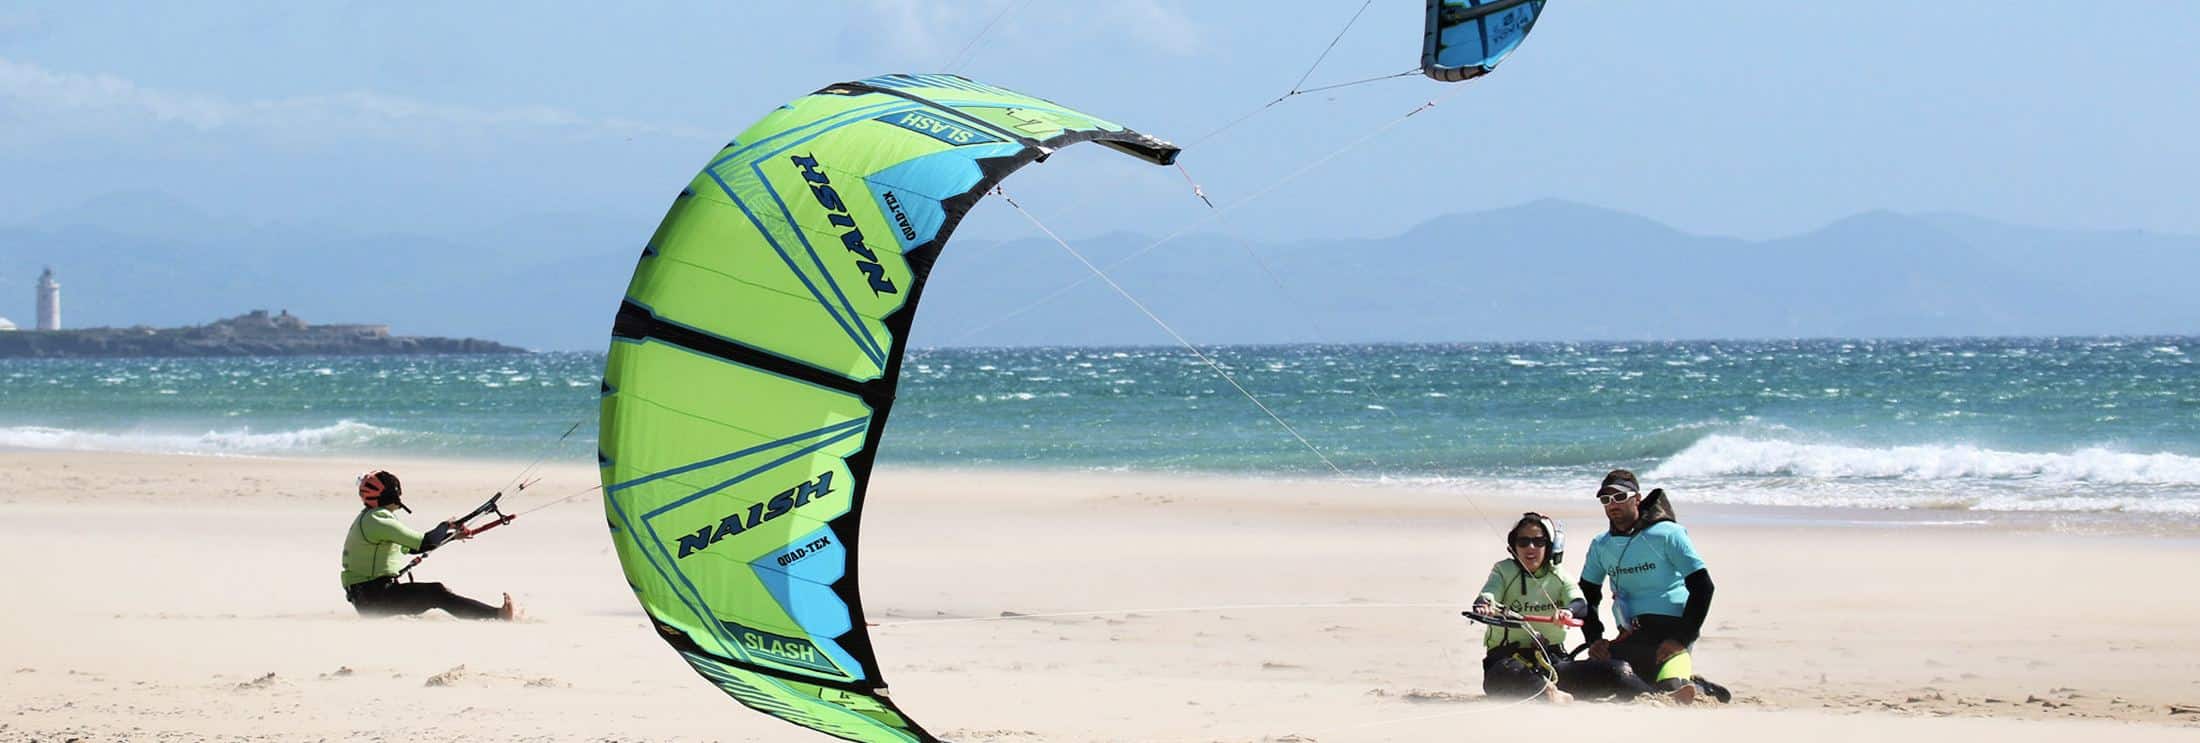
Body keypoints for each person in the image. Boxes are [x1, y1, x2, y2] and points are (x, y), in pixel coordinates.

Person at [1576, 469, 1731, 703]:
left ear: (1637, 498)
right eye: (1606, 500)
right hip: (1633, 633)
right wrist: (1594, 638)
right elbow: (1587, 593)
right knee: (1597, 680)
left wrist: (1681, 638)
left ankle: (1699, 687)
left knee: (1672, 690)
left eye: (1619, 497)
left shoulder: (1668, 534)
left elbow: (1703, 586)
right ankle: (1676, 680)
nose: (1612, 504)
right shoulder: (1601, 545)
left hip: (1671, 635)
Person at [340, 470, 518, 621]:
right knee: (436, 593)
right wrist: (446, 525)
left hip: (368, 597)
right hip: (374, 599)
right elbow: (426, 542)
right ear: (392, 494)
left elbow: (414, 547)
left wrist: (452, 536)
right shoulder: (377, 519)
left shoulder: (371, 518)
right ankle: (497, 615)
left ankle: (494, 614)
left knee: (436, 593)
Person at [1469, 512, 1584, 702]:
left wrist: (1567, 611)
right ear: (1514, 547)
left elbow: (1579, 603)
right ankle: (1549, 693)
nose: (1531, 547)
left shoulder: (1560, 576)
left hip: (1551, 659)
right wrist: (1484, 604)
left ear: (1550, 547)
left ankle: (1648, 695)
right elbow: (1488, 593)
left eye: (1539, 542)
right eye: (1523, 542)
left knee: (1617, 672)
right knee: (1508, 676)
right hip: (1506, 661)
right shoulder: (1503, 571)